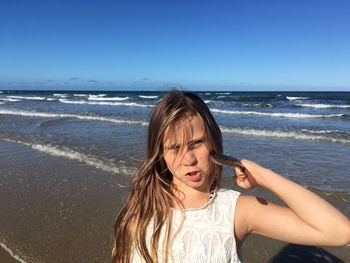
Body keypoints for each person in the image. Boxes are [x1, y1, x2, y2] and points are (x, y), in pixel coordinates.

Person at [112, 91, 350, 263]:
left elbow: (338, 232)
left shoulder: (236, 210)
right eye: (174, 148)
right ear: (160, 153)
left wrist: (263, 175)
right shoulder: (141, 208)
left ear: (214, 141)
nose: (188, 160)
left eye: (196, 143)